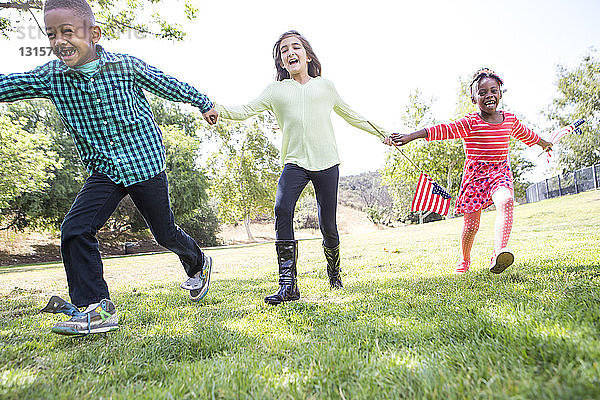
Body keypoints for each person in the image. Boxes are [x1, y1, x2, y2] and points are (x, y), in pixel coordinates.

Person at [0, 0, 218, 335]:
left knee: (164, 233)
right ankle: (96, 308)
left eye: (67, 32)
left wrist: (202, 102)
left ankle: (198, 262)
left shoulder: (124, 66)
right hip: (105, 170)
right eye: (51, 34)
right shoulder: (51, 77)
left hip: (144, 162)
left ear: (94, 34)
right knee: (75, 229)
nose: (59, 41)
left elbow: (167, 83)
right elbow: (9, 85)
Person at [214, 30, 390, 305]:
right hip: (294, 162)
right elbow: (245, 110)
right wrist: (215, 108)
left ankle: (334, 272)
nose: (290, 52)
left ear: (308, 55)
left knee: (328, 225)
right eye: (284, 50)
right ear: (281, 62)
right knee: (282, 209)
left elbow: (351, 114)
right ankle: (288, 285)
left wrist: (382, 133)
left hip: (326, 162)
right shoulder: (276, 91)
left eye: (295, 47)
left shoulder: (325, 87)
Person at [386, 68, 552, 274]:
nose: (489, 95)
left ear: (501, 94)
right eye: (482, 93)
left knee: (506, 201)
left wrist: (544, 144)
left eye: (493, 91)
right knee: (472, 226)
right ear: (473, 98)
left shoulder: (509, 120)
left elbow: (528, 134)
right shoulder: (470, 123)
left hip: (499, 173)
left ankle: (499, 253)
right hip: (475, 178)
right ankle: (464, 259)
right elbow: (442, 129)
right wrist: (411, 136)